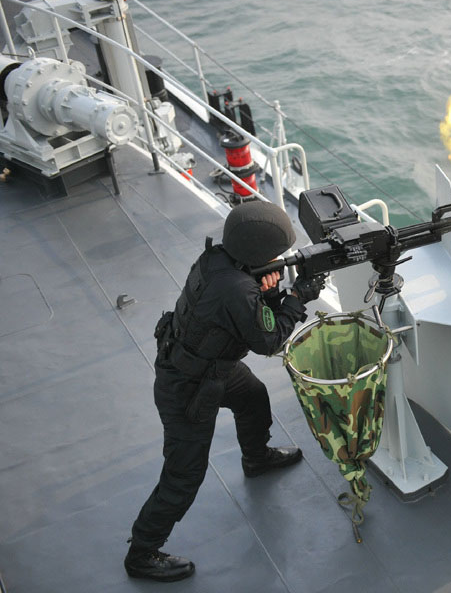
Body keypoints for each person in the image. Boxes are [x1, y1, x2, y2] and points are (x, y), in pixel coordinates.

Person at [124, 201, 324, 582]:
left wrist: (268, 295)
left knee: (253, 396)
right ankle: (142, 551)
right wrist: (296, 299)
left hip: (211, 367)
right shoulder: (236, 288)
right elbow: (268, 340)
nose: (279, 258)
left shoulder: (220, 260)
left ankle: (256, 457)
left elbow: (241, 314)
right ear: (255, 252)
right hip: (188, 387)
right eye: (274, 253)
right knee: (185, 473)